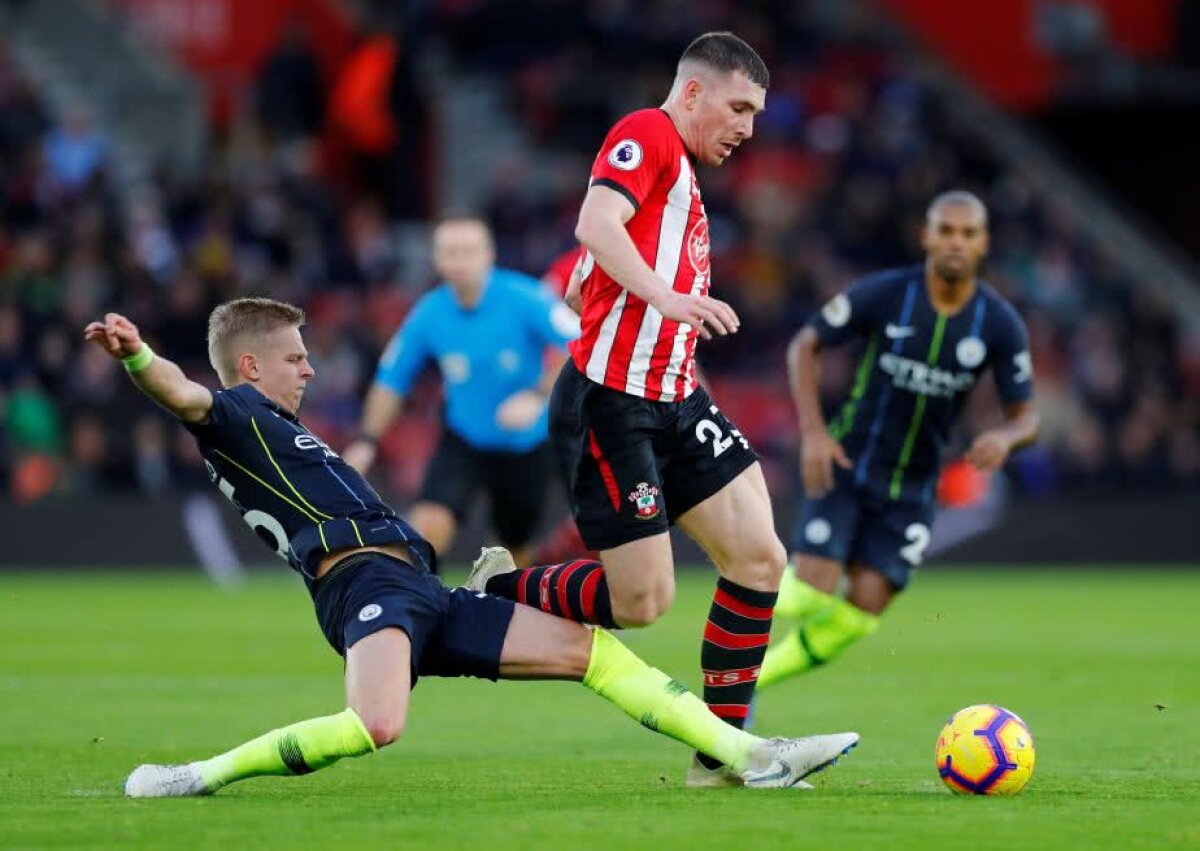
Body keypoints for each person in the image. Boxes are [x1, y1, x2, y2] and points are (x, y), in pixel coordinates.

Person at [84, 300, 857, 797]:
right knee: (375, 724)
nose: (309, 368)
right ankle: (197, 775)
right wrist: (137, 356)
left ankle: (752, 755)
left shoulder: (276, 429)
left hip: (421, 587)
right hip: (363, 587)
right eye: (295, 357)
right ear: (251, 365)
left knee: (591, 651)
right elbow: (183, 394)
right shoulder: (235, 415)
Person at [466, 32, 786, 788]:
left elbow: (601, 252)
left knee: (760, 558)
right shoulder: (647, 131)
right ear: (694, 93)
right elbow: (595, 223)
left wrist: (604, 281)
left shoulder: (682, 174)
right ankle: (497, 588)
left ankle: (721, 756)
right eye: (739, 108)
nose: (747, 128)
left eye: (755, 114)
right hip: (613, 403)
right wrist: (663, 295)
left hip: (675, 395)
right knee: (642, 602)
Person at [756, 191, 1040, 691]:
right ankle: (738, 606)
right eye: (946, 231)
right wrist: (814, 434)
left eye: (968, 233)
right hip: (848, 464)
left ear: (983, 243)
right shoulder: (888, 294)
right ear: (927, 236)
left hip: (914, 487)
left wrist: (1006, 436)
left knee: (864, 606)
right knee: (810, 595)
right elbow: (806, 343)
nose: (956, 242)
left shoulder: (999, 323)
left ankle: (752, 680)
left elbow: (1027, 417)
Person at [343, 215, 579, 568]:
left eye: (469, 251)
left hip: (527, 446)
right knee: (427, 527)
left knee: (512, 555)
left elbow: (577, 342)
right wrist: (367, 440)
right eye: (450, 252)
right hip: (463, 440)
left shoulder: (526, 296)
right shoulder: (430, 312)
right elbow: (392, 379)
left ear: (489, 255)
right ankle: (416, 600)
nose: (460, 262)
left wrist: (537, 395)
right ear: (437, 260)